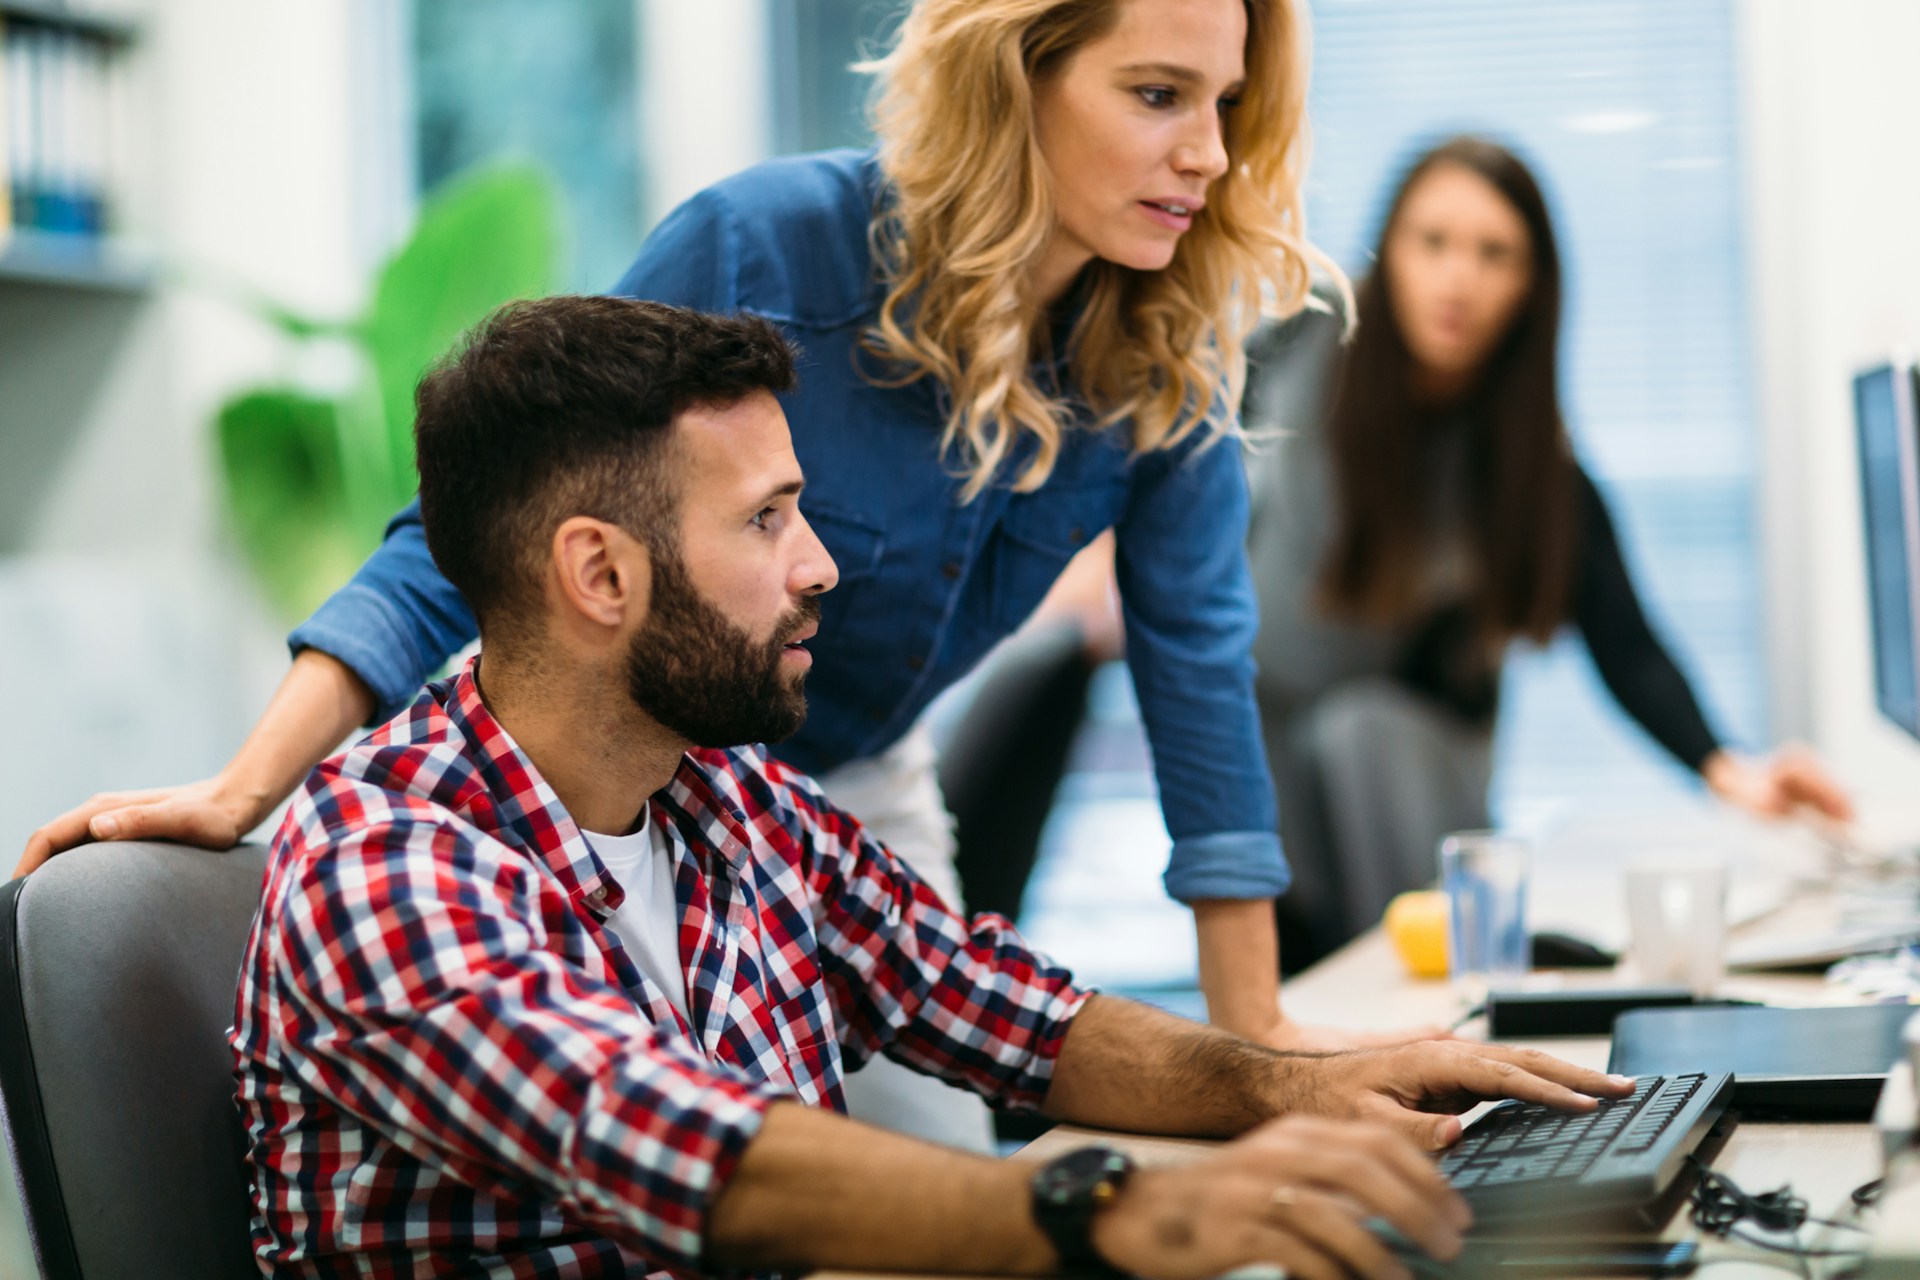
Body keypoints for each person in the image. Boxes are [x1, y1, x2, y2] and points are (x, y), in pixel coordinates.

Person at [23, 0, 1403, 1151]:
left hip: (837, 795)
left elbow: (1198, 672)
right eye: (1160, 95)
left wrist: (1260, 1051)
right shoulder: (766, 244)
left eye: (1226, 104)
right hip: (619, 765)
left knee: (926, 1173)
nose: (1209, 153)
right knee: (685, 1174)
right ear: (1015, 76)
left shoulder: (1163, 355)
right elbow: (487, 525)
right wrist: (246, 789)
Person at [233, 295, 1631, 1279]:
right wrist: (1105, 1213)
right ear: (601, 575)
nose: (820, 566)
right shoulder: (385, 864)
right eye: (767, 521)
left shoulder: (723, 799)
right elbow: (696, 1154)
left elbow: (1006, 1015)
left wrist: (1305, 1088)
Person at [1242, 136, 1855, 970]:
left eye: (1495, 254)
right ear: (1389, 256)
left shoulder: (1534, 469)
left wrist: (1732, 772)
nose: (1459, 277)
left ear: (1532, 286)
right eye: (1433, 243)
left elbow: (1626, 645)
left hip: (1407, 766)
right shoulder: (1298, 345)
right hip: (1259, 737)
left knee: (1362, 742)